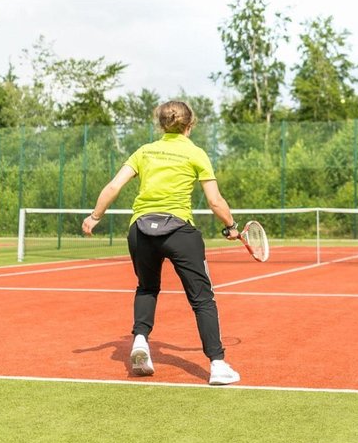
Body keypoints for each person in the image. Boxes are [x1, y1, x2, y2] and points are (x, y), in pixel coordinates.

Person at [82, 101, 241, 385]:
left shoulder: (145, 151)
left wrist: (94, 217)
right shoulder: (196, 153)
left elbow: (114, 186)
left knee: (147, 287)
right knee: (202, 298)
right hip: (180, 231)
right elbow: (215, 201)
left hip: (140, 231)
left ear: (161, 124)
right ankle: (217, 364)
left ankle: (140, 341)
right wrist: (230, 226)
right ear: (190, 125)